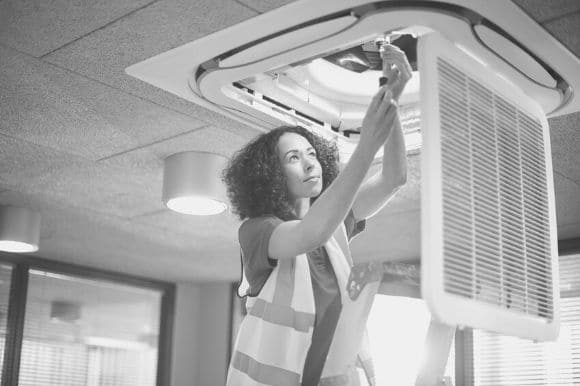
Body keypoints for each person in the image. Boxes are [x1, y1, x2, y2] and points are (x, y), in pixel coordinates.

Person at [223, 45, 412, 386]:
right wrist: (367, 145)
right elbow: (309, 233)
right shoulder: (257, 231)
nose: (310, 163)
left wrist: (391, 101)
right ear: (271, 174)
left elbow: (394, 178)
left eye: (312, 153)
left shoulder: (334, 228)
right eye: (293, 158)